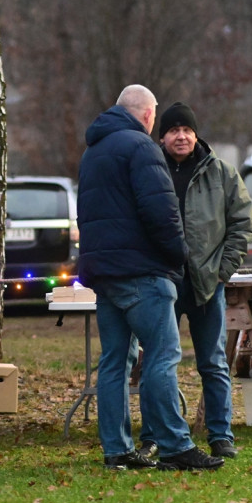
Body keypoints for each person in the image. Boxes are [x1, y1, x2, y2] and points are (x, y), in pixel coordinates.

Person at [76, 85, 223, 472]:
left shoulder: (93, 151)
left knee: (114, 362)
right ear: (147, 115)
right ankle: (175, 446)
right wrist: (178, 258)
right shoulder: (142, 148)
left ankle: (117, 450)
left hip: (104, 274)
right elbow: (161, 212)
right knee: (162, 356)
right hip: (142, 271)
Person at [134, 103, 252, 461]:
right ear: (162, 137)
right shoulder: (148, 171)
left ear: (196, 134)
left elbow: (242, 223)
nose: (181, 136)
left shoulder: (222, 173)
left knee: (214, 363)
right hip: (161, 287)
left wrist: (222, 270)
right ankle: (152, 437)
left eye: (187, 129)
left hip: (206, 285)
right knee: (157, 364)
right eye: (173, 130)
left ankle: (221, 435)